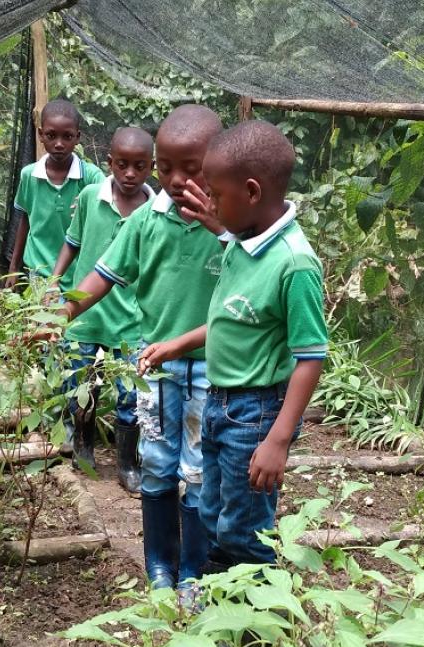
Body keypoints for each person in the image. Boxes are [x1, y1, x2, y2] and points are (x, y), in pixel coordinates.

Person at [51, 105, 228, 596]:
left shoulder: (232, 228)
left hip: (215, 371)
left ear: (216, 163)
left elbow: (255, 272)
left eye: (189, 170)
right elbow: (100, 277)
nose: (175, 180)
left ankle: (192, 571)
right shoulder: (146, 221)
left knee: (196, 471)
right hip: (155, 366)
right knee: (157, 462)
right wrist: (58, 316)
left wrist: (220, 227)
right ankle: (159, 568)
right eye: (166, 167)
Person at [137, 120, 327, 573]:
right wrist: (177, 344)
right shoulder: (240, 245)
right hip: (222, 405)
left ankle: (255, 623)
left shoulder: (295, 265)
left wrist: (277, 439)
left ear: (253, 192)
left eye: (217, 196)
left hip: (256, 414)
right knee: (212, 513)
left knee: (246, 529)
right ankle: (220, 602)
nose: (211, 207)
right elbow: (231, 320)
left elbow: (310, 358)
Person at [49, 127, 156, 493]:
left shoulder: (155, 212)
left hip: (130, 317)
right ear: (109, 163)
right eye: (122, 164)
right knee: (79, 383)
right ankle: (83, 445)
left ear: (150, 168)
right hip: (85, 312)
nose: (129, 173)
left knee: (129, 392)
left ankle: (128, 463)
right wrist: (55, 279)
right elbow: (72, 242)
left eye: (138, 166)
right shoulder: (91, 196)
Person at [7, 99, 105, 288]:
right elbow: (26, 219)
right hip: (39, 269)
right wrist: (14, 267)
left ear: (77, 137)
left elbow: (107, 203)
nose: (59, 144)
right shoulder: (29, 175)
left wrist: (89, 202)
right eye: (51, 136)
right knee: (44, 315)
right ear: (41, 135)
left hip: (78, 273)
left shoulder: (91, 177)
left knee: (69, 317)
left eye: (67, 137)